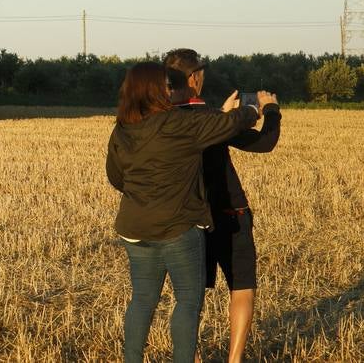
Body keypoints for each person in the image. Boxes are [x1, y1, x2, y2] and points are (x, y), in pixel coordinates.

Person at [106, 62, 264, 363]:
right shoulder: (178, 124)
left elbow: (116, 177)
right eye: (166, 85)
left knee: (142, 299)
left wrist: (144, 193)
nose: (172, 89)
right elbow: (229, 126)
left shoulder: (123, 128)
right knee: (188, 301)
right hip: (177, 227)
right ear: (155, 90)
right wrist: (255, 110)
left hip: (133, 227)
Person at [164, 48, 281, 363]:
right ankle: (234, 359)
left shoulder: (161, 121)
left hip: (186, 219)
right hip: (230, 213)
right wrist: (270, 110)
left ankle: (188, 354)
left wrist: (223, 114)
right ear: (195, 78)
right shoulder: (212, 120)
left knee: (189, 297)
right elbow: (264, 143)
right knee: (242, 286)